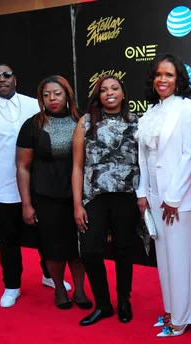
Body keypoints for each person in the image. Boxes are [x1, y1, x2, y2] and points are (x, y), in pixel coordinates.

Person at [0, 63, 71, 308]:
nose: (2, 79)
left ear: (15, 79)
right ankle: (11, 285)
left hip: (38, 187)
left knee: (47, 237)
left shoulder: (35, 105)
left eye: (6, 75)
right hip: (1, 190)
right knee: (8, 241)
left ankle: (50, 276)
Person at [136, 53, 191, 337]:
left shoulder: (190, 109)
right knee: (163, 258)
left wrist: (173, 197)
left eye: (169, 75)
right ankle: (171, 310)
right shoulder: (149, 113)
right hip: (153, 195)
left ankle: (184, 316)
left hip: (179, 198)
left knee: (182, 258)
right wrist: (143, 193)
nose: (163, 80)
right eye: (158, 74)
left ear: (179, 79)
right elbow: (143, 157)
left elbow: (190, 155)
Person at [16, 75, 91, 310]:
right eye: (46, 94)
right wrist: (26, 204)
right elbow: (22, 166)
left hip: (80, 195)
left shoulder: (82, 121)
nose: (52, 99)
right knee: (54, 248)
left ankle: (79, 290)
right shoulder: (33, 124)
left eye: (57, 93)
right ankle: (59, 288)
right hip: (46, 196)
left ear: (67, 94)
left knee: (79, 247)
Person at [72, 75, 140, 325]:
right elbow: (77, 166)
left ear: (123, 93)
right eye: (103, 90)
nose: (109, 93)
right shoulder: (86, 122)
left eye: (115, 88)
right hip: (94, 197)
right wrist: (77, 204)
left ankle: (124, 300)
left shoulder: (137, 122)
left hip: (126, 197)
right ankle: (103, 304)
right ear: (97, 95)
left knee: (123, 250)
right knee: (89, 250)